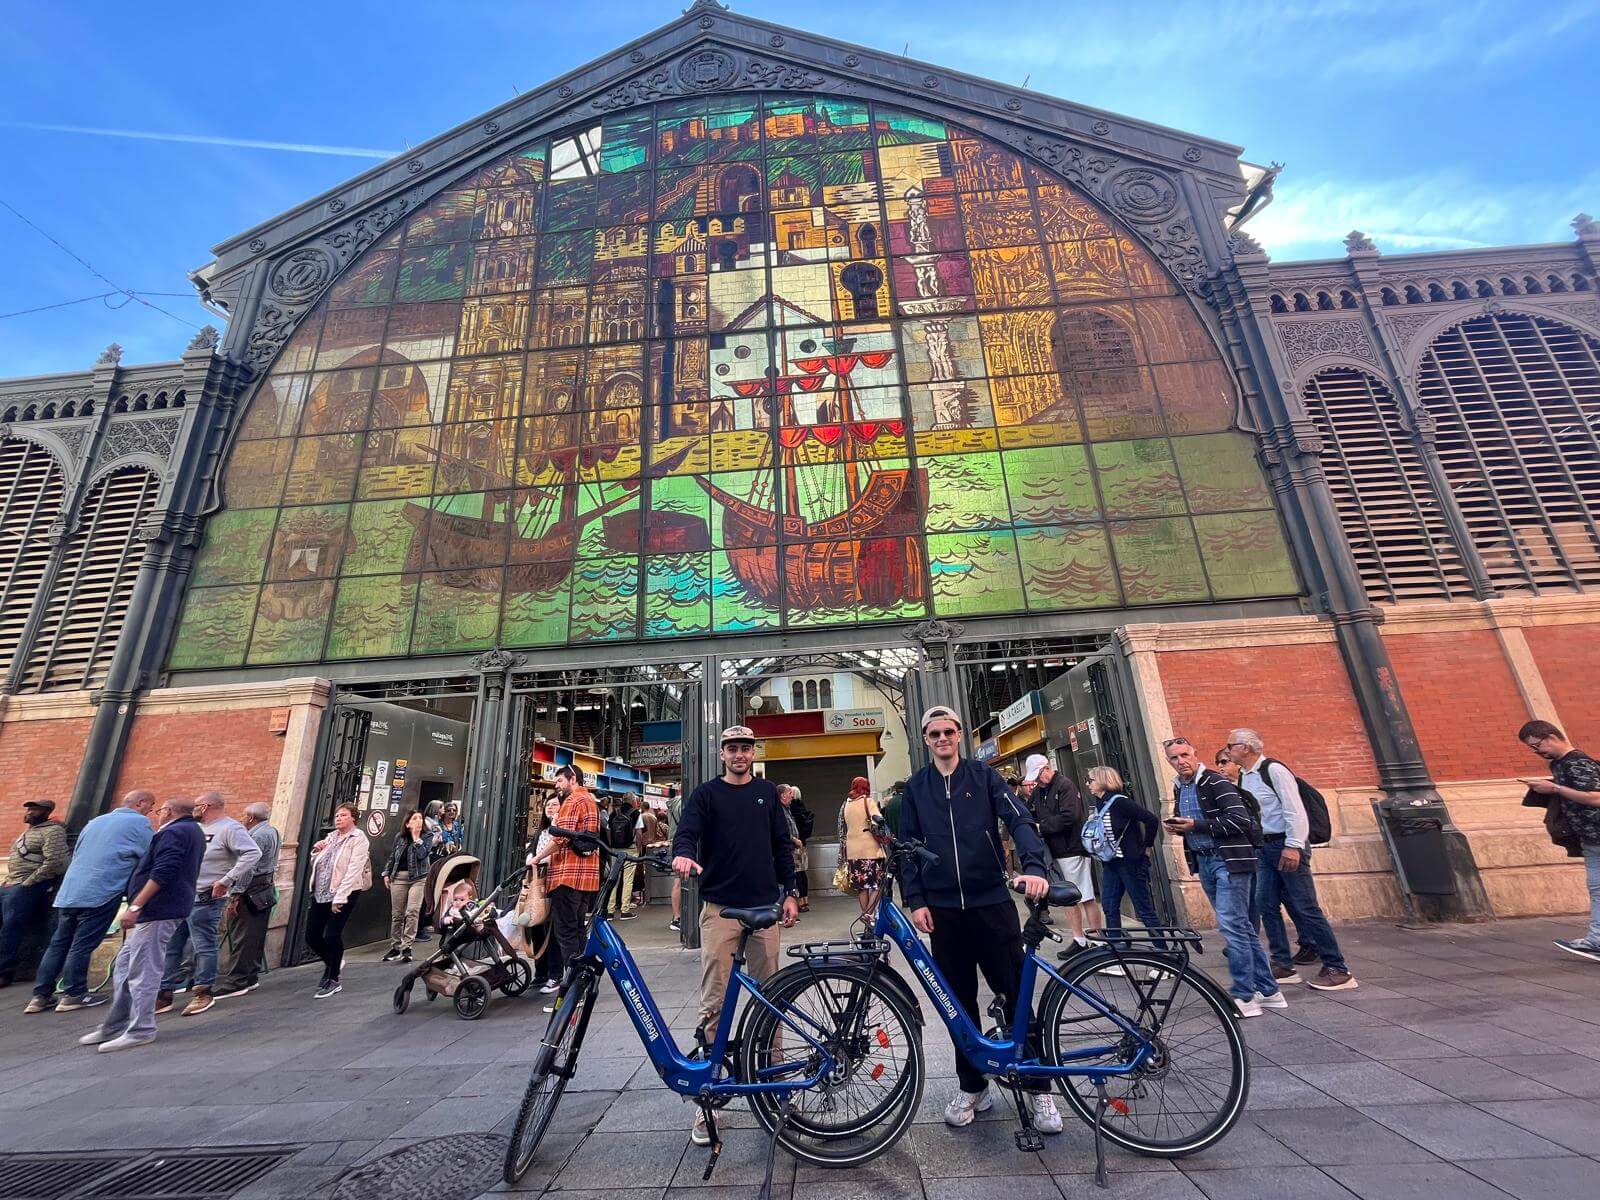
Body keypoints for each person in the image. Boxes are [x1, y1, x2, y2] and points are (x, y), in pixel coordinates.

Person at [899, 705, 1062, 1134]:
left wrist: (1034, 867)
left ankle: (1039, 1086)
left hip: (991, 902)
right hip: (944, 911)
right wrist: (916, 899)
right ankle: (973, 1086)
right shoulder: (916, 788)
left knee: (1013, 990)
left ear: (959, 735)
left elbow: (1020, 820)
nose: (942, 739)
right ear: (926, 739)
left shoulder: (985, 777)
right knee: (958, 1003)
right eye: (933, 734)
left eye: (948, 731)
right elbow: (908, 847)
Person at [672, 725, 797, 1146]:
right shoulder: (706, 794)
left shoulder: (766, 794)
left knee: (773, 997)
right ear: (722, 753)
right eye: (732, 748)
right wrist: (684, 855)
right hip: (721, 909)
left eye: (745, 747)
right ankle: (709, 1102)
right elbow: (686, 832)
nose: (739, 754)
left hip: (764, 909)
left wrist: (791, 893)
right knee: (715, 1001)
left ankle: (776, 1087)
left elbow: (782, 846)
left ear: (752, 752)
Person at [1227, 729, 1357, 992]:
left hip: (1286, 844)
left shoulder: (1274, 771)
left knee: (1305, 906)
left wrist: (1294, 846)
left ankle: (1337, 968)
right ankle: (1282, 964)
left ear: (1245, 748)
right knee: (1266, 903)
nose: (1227, 750)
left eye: (1230, 746)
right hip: (1264, 848)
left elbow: (1294, 809)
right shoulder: (1244, 776)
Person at [1162, 738, 1283, 1017]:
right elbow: (1193, 821)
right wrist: (1179, 827)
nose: (1181, 761)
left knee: (1231, 926)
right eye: (1174, 758)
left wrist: (1196, 825)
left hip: (1228, 860)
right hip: (1205, 861)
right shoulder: (1180, 786)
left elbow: (1239, 820)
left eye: (1184, 755)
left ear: (1195, 754)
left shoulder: (1215, 782)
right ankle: (1269, 990)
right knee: (1240, 925)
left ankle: (1244, 995)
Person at [78, 796, 205, 1053]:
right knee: (126, 967)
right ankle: (115, 1025)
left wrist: (136, 906)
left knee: (143, 971)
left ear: (168, 811)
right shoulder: (192, 830)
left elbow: (163, 871)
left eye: (159, 810)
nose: (156, 814)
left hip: (158, 910)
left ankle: (141, 1029)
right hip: (161, 910)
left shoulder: (175, 832)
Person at [25, 790, 155, 1014]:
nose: (151, 811)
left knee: (58, 943)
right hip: (101, 891)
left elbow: (77, 852)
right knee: (82, 945)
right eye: (150, 806)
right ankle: (74, 994)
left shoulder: (95, 822)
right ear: (140, 803)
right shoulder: (139, 822)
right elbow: (149, 857)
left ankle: (40, 996)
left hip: (70, 891)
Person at [155, 792, 260, 1018]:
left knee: (204, 944)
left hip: (206, 896)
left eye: (196, 805)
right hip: (180, 895)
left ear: (205, 806)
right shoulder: (194, 828)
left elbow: (253, 853)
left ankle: (203, 991)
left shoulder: (230, 828)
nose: (193, 809)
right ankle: (164, 993)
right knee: (171, 944)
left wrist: (226, 880)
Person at [1518, 719, 1600, 961]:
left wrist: (1554, 790)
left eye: (1537, 746)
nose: (1537, 752)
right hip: (1591, 837)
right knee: (1597, 889)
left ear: (1551, 737)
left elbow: (1595, 797)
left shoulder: (1577, 762)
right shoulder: (1561, 764)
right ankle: (1596, 940)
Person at [1024, 754, 1103, 952]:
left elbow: (1070, 816)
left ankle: (1097, 939)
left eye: (1041, 773)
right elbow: (1029, 810)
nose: (1039, 779)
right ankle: (1080, 938)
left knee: (1084, 895)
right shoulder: (1040, 791)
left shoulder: (1064, 785)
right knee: (1069, 896)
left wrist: (1041, 827)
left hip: (1072, 848)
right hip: (1056, 850)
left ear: (1047, 767)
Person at [1083, 767, 1163, 946]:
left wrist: (1147, 847)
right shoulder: (1099, 802)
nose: (1088, 784)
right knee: (1109, 905)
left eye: (1091, 780)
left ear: (1103, 780)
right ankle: (1117, 947)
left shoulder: (1120, 802)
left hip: (1129, 862)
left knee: (1143, 909)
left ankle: (1163, 952)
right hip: (1111, 862)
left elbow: (1151, 819)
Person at [544, 766, 601, 1011]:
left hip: (566, 876)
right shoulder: (591, 800)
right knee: (578, 931)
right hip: (587, 878)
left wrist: (538, 858)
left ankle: (572, 992)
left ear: (572, 779)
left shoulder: (573, 800)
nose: (556, 785)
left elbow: (560, 839)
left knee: (565, 933)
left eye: (559, 780)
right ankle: (584, 983)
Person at [213, 802, 282, 999]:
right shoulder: (273, 831)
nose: (241, 818)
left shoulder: (257, 835)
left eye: (244, 815)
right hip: (264, 888)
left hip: (251, 889)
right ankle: (250, 975)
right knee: (255, 934)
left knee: (243, 936)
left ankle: (237, 980)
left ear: (251, 818)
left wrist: (236, 894)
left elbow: (248, 867)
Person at [0, 800, 70, 988]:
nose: (29, 812)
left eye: (34, 809)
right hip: (10, 883)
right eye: (29, 809)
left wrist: (29, 882)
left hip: (26, 886)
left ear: (46, 811)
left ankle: (4, 971)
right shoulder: (28, 832)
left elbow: (56, 862)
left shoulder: (52, 831)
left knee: (10, 927)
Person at [304, 803, 371, 999]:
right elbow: (322, 864)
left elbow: (353, 869)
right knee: (312, 936)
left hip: (345, 893)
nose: (338, 818)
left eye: (343, 815)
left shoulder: (358, 839)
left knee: (332, 935)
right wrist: (316, 852)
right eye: (337, 815)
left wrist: (340, 897)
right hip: (321, 892)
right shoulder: (331, 837)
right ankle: (334, 961)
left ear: (353, 818)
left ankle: (333, 978)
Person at [381, 811, 433, 964]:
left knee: (412, 911)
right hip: (399, 877)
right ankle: (396, 947)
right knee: (397, 914)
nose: (418, 821)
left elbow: (422, 855)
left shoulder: (427, 836)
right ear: (407, 823)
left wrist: (417, 838)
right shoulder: (400, 837)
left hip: (418, 878)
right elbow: (393, 857)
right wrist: (386, 873)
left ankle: (407, 947)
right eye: (414, 818)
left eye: (420, 818)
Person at [836, 778, 887, 918]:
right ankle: (869, 915)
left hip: (853, 851)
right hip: (870, 850)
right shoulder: (868, 801)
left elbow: (841, 828)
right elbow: (877, 820)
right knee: (878, 885)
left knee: (862, 888)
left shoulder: (846, 804)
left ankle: (865, 916)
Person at [531, 797, 565, 993]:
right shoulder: (541, 832)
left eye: (554, 804)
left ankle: (555, 974)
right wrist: (531, 857)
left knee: (552, 929)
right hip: (539, 884)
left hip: (556, 882)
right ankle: (540, 972)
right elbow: (532, 848)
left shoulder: (560, 829)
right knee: (536, 927)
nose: (550, 808)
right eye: (547, 805)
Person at [605, 793, 641, 921]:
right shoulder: (636, 813)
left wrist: (611, 847)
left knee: (613, 879)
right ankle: (625, 910)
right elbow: (639, 832)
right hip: (630, 850)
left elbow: (609, 831)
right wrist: (639, 849)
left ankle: (610, 911)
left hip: (615, 850)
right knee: (628, 880)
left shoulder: (614, 813)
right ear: (633, 801)